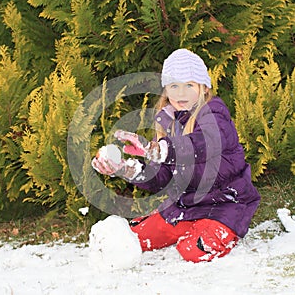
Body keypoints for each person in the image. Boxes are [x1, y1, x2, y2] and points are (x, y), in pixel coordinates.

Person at [92, 48, 261, 263]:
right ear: (166, 90)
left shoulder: (215, 114)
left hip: (225, 203)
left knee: (193, 250)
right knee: (133, 238)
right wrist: (126, 169)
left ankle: (214, 229)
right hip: (186, 206)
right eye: (174, 86)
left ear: (203, 87)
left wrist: (159, 149)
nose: (181, 94)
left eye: (189, 85)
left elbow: (203, 144)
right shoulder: (167, 122)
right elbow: (161, 177)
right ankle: (187, 225)